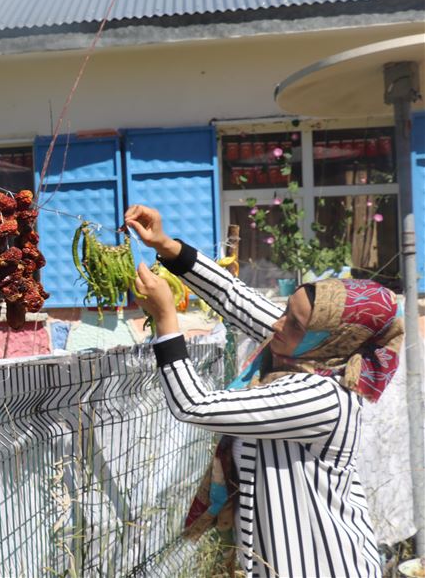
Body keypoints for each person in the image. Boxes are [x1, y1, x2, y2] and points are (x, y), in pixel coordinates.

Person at [125, 204, 404, 578]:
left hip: (326, 566)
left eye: (293, 321)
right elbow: (233, 297)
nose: (277, 321)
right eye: (286, 309)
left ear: (327, 339)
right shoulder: (302, 352)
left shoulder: (320, 395)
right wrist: (167, 246)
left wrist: (165, 322)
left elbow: (196, 406)